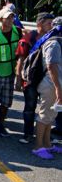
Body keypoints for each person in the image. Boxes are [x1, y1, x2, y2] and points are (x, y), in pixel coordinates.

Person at [0, 8, 23, 138]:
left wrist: (19, 70)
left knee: (7, 100)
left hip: (11, 70)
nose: (11, 20)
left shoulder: (17, 31)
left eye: (12, 17)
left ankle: (1, 124)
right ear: (1, 19)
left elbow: (22, 51)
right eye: (8, 18)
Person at [18, 13, 55, 144]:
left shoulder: (53, 37)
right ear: (39, 24)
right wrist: (18, 79)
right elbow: (22, 59)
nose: (51, 26)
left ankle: (46, 136)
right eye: (48, 23)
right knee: (30, 107)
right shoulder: (30, 37)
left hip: (46, 78)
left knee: (47, 108)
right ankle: (27, 134)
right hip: (31, 78)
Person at [32, 18, 62, 159]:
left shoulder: (58, 41)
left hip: (55, 85)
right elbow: (51, 66)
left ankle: (47, 144)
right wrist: (58, 89)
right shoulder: (54, 43)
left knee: (51, 116)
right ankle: (38, 147)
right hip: (51, 85)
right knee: (44, 115)